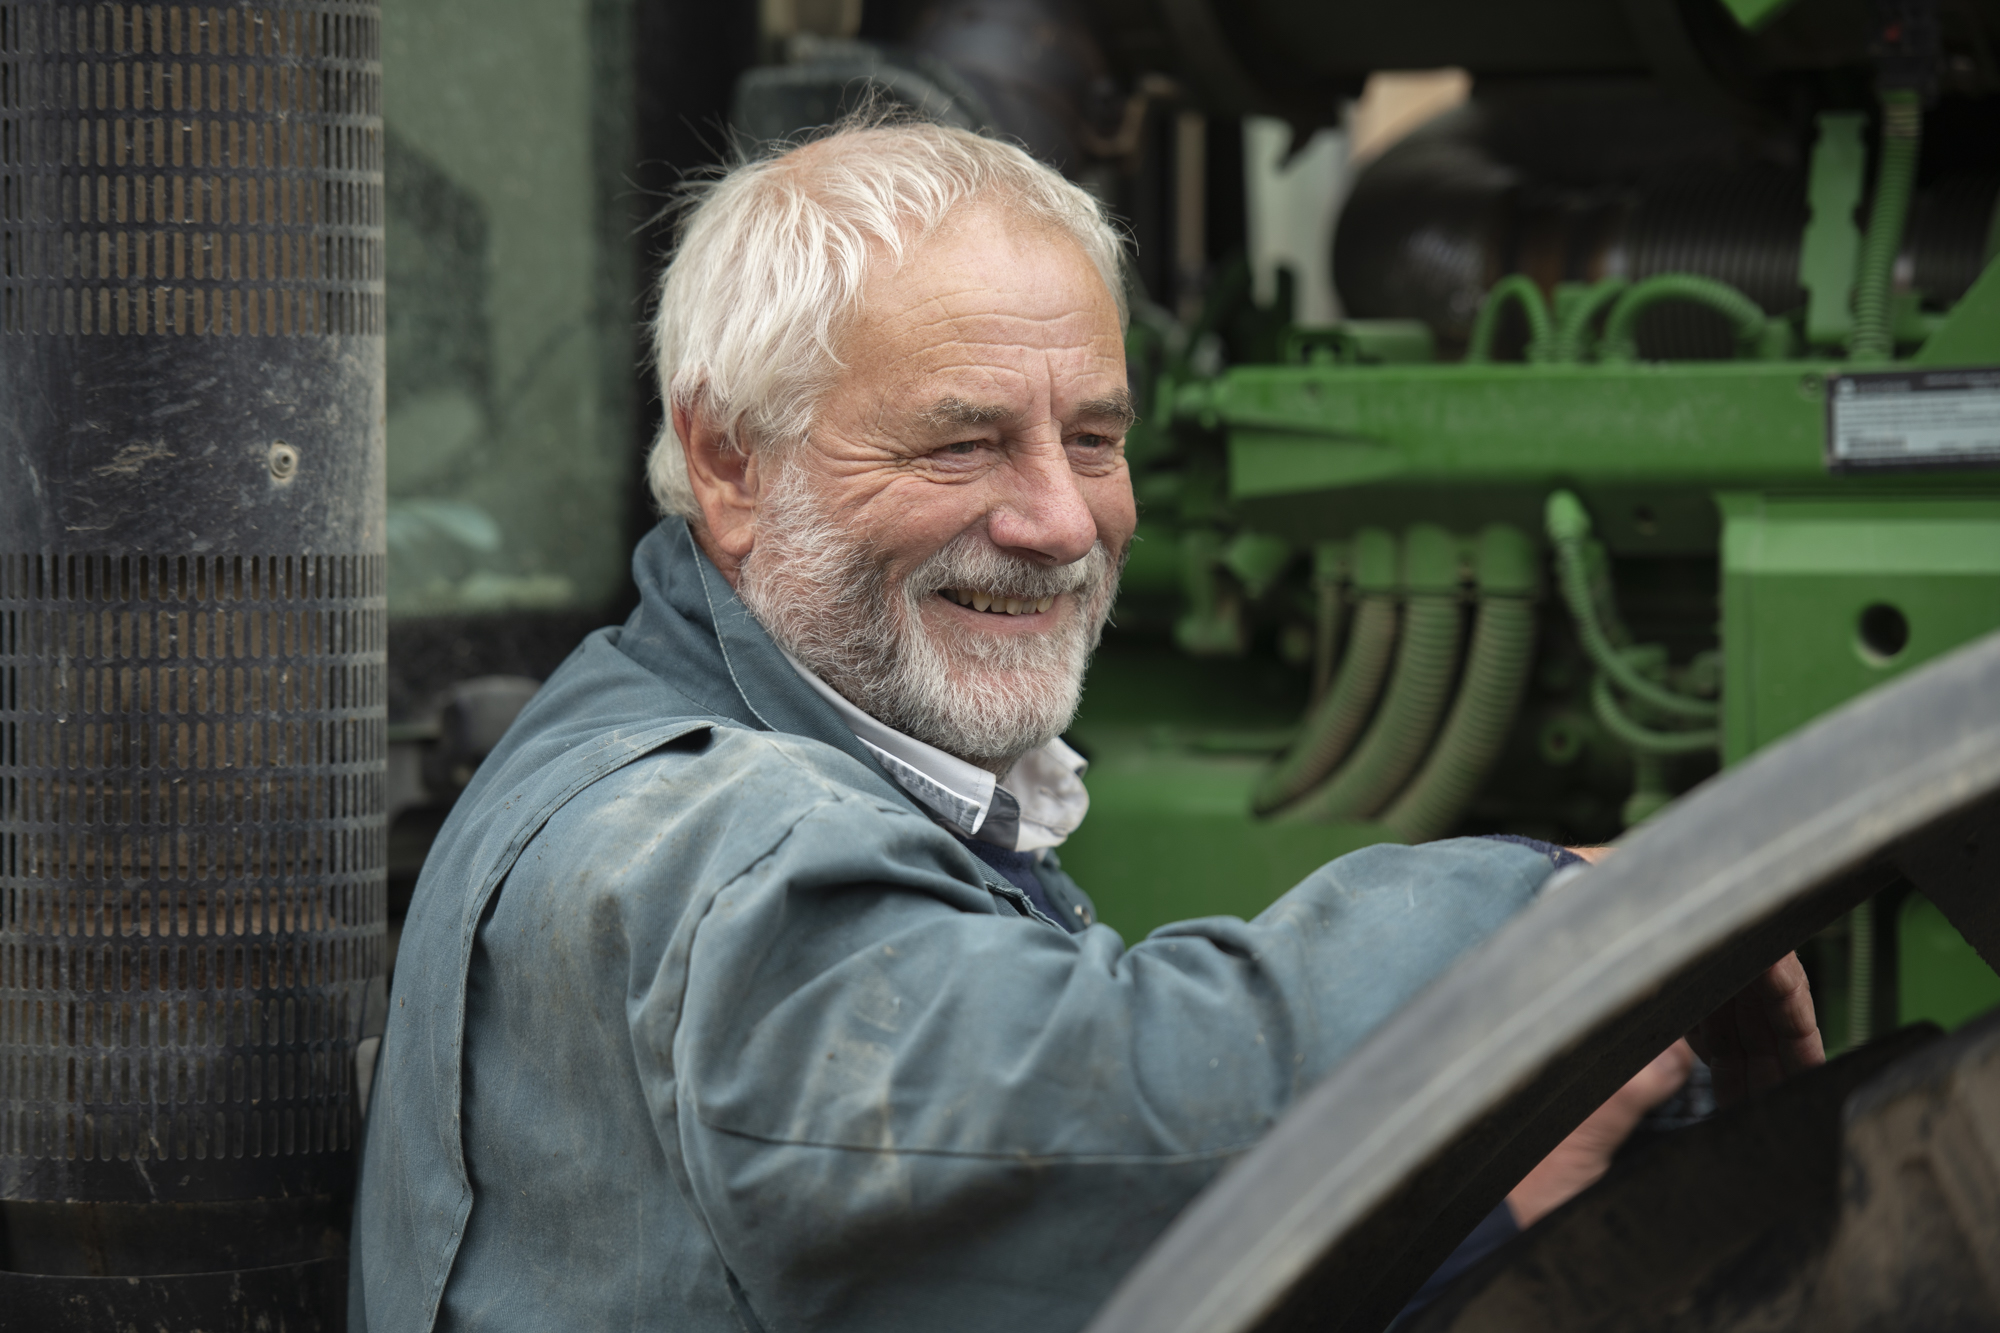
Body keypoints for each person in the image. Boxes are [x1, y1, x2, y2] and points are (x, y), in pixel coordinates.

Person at [351, 118, 1823, 1333]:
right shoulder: (691, 837)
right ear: (729, 458)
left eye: (1097, 438)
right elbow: (1070, 1104)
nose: (1061, 520)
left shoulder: (777, 731)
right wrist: (1551, 930)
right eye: (961, 438)